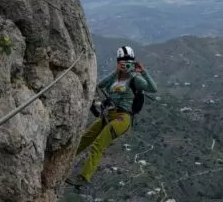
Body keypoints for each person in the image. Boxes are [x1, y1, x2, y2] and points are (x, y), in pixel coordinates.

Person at [67, 46, 158, 188]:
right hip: (108, 114)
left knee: (98, 144)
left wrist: (143, 71)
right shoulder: (114, 76)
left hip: (123, 117)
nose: (126, 64)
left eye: (129, 62)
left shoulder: (136, 79)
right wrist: (116, 72)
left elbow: (153, 88)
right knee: (86, 138)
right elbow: (99, 85)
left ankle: (83, 178)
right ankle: (64, 161)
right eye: (123, 61)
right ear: (118, 62)